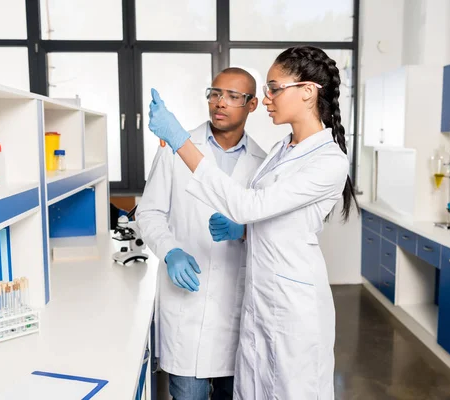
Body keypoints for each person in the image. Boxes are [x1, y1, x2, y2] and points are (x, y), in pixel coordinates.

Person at [147, 46, 359, 399]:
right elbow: (278, 216)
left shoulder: (329, 161)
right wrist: (244, 232)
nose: (267, 98)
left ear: (307, 92)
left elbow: (249, 204)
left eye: (274, 88)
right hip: (261, 301)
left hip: (293, 308)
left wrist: (180, 141)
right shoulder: (283, 149)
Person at [136, 68, 267, 400]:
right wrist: (170, 251)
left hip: (236, 314)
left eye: (233, 96)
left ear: (252, 105)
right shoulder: (176, 148)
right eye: (215, 93)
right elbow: (149, 212)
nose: (220, 103)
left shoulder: (262, 164)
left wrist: (245, 232)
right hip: (187, 312)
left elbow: (273, 230)